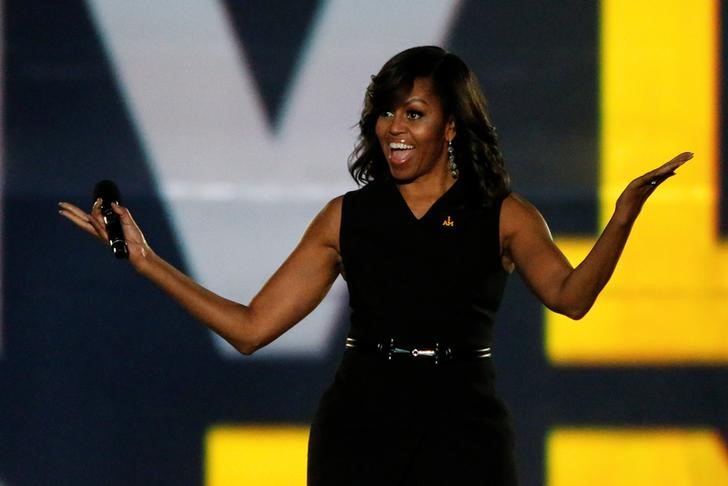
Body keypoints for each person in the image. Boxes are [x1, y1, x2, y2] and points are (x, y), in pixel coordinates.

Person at [58, 46, 691, 485]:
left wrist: (624, 215)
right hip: (361, 425)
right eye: (386, 111)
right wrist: (146, 261)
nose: (394, 127)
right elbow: (251, 329)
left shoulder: (505, 215)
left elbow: (571, 296)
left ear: (450, 127)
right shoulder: (347, 217)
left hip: (464, 429)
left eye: (413, 113)